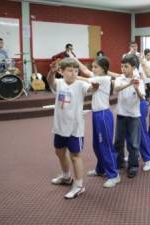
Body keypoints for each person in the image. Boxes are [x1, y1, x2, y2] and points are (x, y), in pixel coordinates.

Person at [47, 58, 98, 199]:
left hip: (75, 128)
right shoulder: (59, 83)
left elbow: (93, 88)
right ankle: (66, 176)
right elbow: (50, 80)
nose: (73, 73)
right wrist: (51, 72)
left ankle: (79, 185)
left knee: (75, 156)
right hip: (59, 127)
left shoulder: (81, 85)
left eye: (75, 70)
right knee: (59, 152)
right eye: (70, 70)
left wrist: (95, 80)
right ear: (61, 71)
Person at [75, 56, 120, 188]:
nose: (93, 69)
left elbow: (86, 78)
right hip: (96, 114)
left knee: (105, 145)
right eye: (92, 67)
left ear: (104, 69)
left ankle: (114, 175)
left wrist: (71, 75)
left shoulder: (104, 79)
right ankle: (101, 168)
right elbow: (84, 70)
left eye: (96, 67)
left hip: (104, 116)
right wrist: (74, 58)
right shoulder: (97, 76)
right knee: (97, 144)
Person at [114, 54, 145, 178]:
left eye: (126, 67)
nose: (123, 69)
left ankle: (133, 166)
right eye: (122, 66)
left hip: (134, 116)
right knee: (118, 142)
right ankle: (119, 162)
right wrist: (129, 84)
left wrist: (136, 88)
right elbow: (116, 89)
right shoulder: (119, 78)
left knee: (133, 143)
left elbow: (142, 98)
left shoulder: (139, 80)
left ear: (133, 67)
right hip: (121, 115)